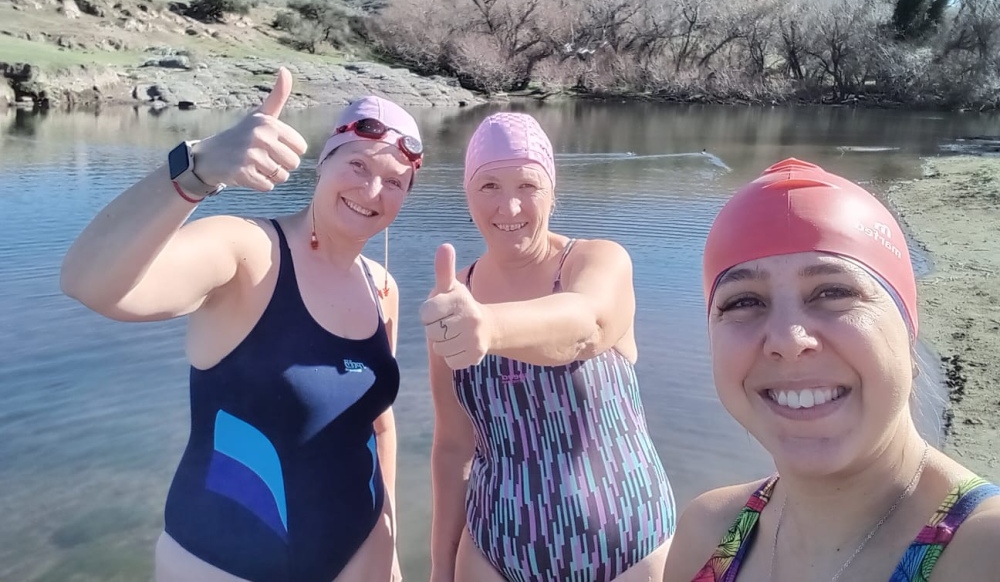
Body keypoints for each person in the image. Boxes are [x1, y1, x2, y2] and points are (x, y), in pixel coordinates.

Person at [60, 68, 424, 582]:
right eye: (358, 164)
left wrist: (388, 542)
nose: (372, 189)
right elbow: (89, 282)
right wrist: (198, 169)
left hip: (360, 557)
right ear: (324, 163)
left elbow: (378, 423)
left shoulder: (381, 285)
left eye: (395, 182)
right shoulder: (248, 252)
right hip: (222, 564)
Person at [662, 158, 1000, 582]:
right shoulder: (708, 534)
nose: (787, 340)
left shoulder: (984, 552)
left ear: (909, 331)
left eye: (834, 292)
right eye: (743, 301)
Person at [421, 112, 676, 582]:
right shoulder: (452, 301)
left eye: (528, 186)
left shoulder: (598, 261)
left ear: (553, 192)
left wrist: (490, 328)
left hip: (630, 553)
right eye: (489, 186)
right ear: (468, 195)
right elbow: (454, 447)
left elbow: (588, 325)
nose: (510, 208)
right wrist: (441, 565)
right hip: (494, 553)